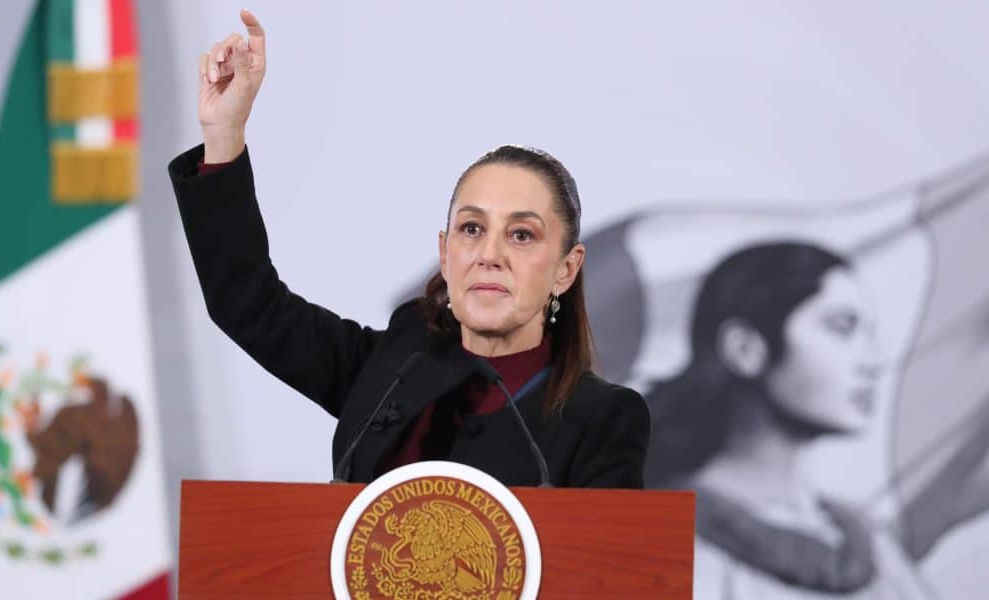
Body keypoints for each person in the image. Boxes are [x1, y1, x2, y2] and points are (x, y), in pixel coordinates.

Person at [166, 10, 649, 488]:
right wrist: (223, 134)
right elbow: (247, 303)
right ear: (445, 253)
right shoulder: (397, 364)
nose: (490, 254)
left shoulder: (603, 418)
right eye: (471, 229)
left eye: (521, 235)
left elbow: (604, 565)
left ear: (567, 269)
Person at [644, 241, 989, 599]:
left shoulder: (871, 546)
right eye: (842, 327)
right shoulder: (651, 540)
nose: (873, 362)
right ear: (745, 349)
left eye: (869, 334)